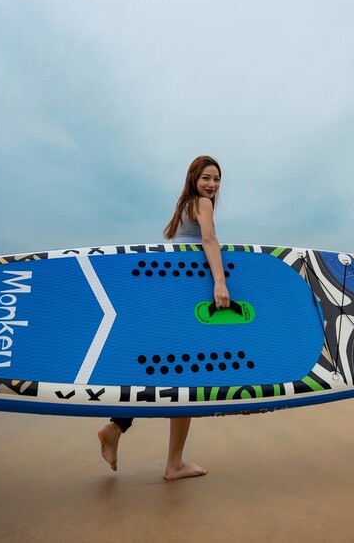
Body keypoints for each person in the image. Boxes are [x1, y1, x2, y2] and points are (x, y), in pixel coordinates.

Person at [97, 155, 230, 480]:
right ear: (194, 179)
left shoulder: (183, 208)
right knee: (185, 376)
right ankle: (173, 464)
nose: (211, 185)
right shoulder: (202, 204)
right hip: (186, 300)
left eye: (216, 179)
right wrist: (220, 281)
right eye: (206, 178)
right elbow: (209, 241)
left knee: (161, 370)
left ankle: (116, 428)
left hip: (166, 297)